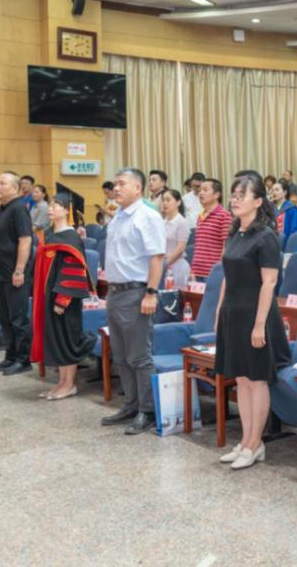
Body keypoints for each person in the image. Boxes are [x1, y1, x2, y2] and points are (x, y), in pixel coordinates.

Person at [213, 174, 291, 469]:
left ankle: (256, 443)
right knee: (241, 380)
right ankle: (246, 440)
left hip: (256, 315)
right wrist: (219, 312)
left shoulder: (266, 236)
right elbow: (226, 278)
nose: (235, 200)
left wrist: (259, 325)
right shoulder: (235, 233)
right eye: (233, 195)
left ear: (258, 201)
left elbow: (269, 283)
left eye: (241, 195)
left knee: (257, 380)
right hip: (233, 314)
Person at [101, 168, 167, 435]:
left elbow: (157, 257)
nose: (116, 188)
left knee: (139, 356)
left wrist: (151, 293)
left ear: (138, 188)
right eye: (115, 184)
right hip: (115, 292)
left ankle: (147, 411)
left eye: (122, 184)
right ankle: (131, 404)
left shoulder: (147, 216)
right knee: (120, 354)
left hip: (136, 292)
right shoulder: (118, 216)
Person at [31, 194, 97, 400]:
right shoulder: (49, 234)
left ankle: (70, 385)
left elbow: (74, 270)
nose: (51, 209)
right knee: (56, 339)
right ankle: (61, 382)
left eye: (56, 205)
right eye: (50, 205)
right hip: (48, 295)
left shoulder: (71, 238)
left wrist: (63, 299)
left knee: (67, 340)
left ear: (67, 210)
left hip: (64, 299)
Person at [0, 172, 35, 376]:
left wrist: (19, 270)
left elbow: (25, 240)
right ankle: (10, 356)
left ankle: (23, 360)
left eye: (2, 183)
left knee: (18, 318)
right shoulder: (0, 210)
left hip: (15, 274)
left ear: (15, 188)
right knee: (4, 317)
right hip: (0, 273)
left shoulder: (18, 209)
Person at [191, 178, 232, 280]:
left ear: (217, 195)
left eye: (205, 190)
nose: (201, 193)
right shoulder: (200, 216)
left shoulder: (224, 216)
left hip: (213, 273)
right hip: (196, 272)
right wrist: (193, 270)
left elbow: (226, 247)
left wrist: (219, 271)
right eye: (200, 190)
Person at [161, 189, 191, 290]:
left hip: (177, 266)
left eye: (168, 200)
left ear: (178, 202)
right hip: (163, 266)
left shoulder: (181, 222)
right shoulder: (162, 222)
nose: (165, 203)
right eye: (163, 200)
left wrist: (165, 264)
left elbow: (180, 248)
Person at [270, 178, 297, 246]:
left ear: (285, 192)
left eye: (277, 190)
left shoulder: (291, 208)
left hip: (287, 244)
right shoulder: (270, 208)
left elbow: (294, 230)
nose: (274, 192)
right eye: (272, 190)